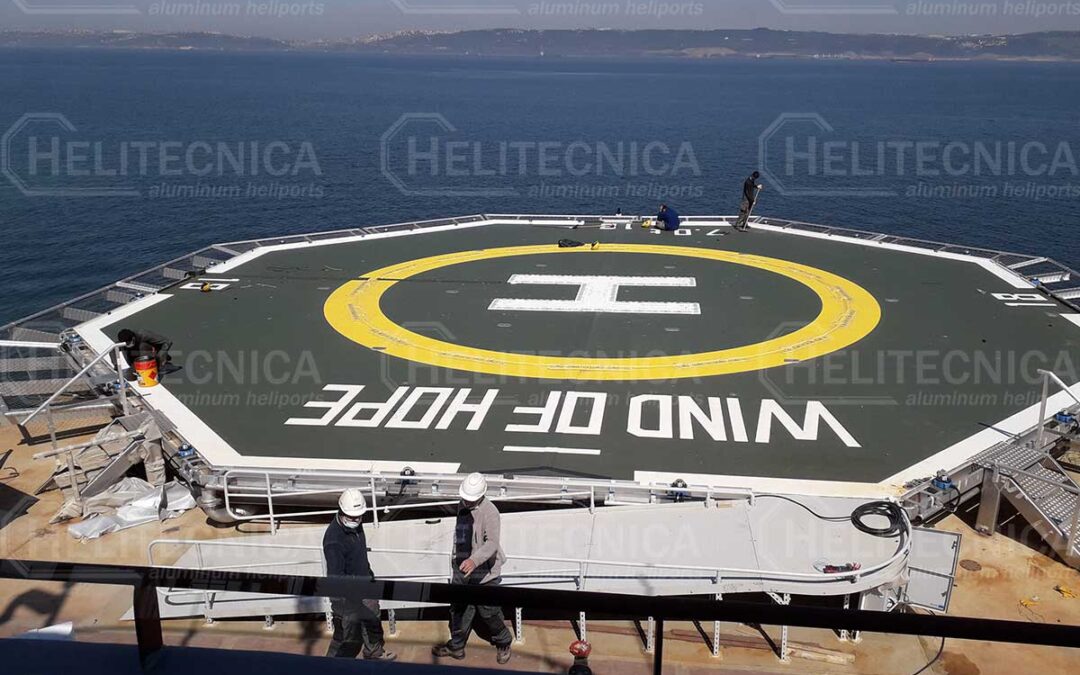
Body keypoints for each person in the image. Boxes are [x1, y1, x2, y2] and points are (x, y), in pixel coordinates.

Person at [432, 472, 512, 664]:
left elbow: (492, 543)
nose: (466, 502)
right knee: (459, 610)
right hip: (462, 568)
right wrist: (458, 560)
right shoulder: (463, 505)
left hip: (485, 573)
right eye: (465, 498)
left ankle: (504, 642)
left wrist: (474, 561)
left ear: (481, 496)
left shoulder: (490, 512)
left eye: (470, 499)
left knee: (489, 612)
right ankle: (457, 646)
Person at [323, 488, 396, 662]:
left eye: (359, 516)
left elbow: (359, 554)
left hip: (364, 583)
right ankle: (330, 667)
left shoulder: (354, 523)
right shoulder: (334, 540)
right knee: (346, 636)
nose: (357, 520)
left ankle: (374, 653)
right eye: (353, 517)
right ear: (342, 512)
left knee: (372, 621)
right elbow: (336, 577)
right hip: (346, 594)